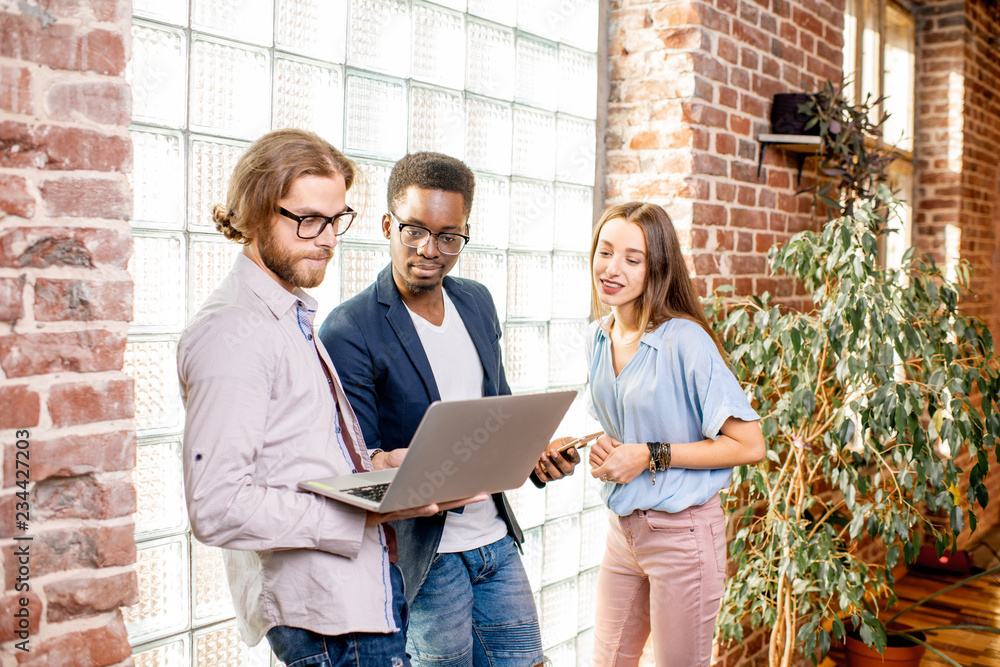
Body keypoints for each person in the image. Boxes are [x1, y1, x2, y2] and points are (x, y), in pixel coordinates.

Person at [178, 130, 480, 667]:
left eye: (337, 219)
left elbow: (299, 456)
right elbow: (217, 508)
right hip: (324, 623)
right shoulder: (232, 334)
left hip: (360, 602)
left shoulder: (287, 315)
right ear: (255, 209)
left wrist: (383, 466)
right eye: (308, 220)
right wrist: (360, 516)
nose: (327, 239)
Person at [318, 152, 577, 667]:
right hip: (425, 556)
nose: (429, 250)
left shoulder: (477, 302)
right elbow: (357, 468)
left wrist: (535, 456)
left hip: (495, 540)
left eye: (448, 236)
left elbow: (497, 415)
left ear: (463, 234)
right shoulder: (350, 329)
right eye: (414, 230)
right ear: (388, 224)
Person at [576, 201, 765, 666]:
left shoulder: (684, 339)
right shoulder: (597, 338)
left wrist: (649, 455)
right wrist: (605, 447)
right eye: (605, 252)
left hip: (683, 538)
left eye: (632, 259)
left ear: (656, 269)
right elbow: (632, 425)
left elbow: (749, 444)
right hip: (624, 534)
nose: (611, 268)